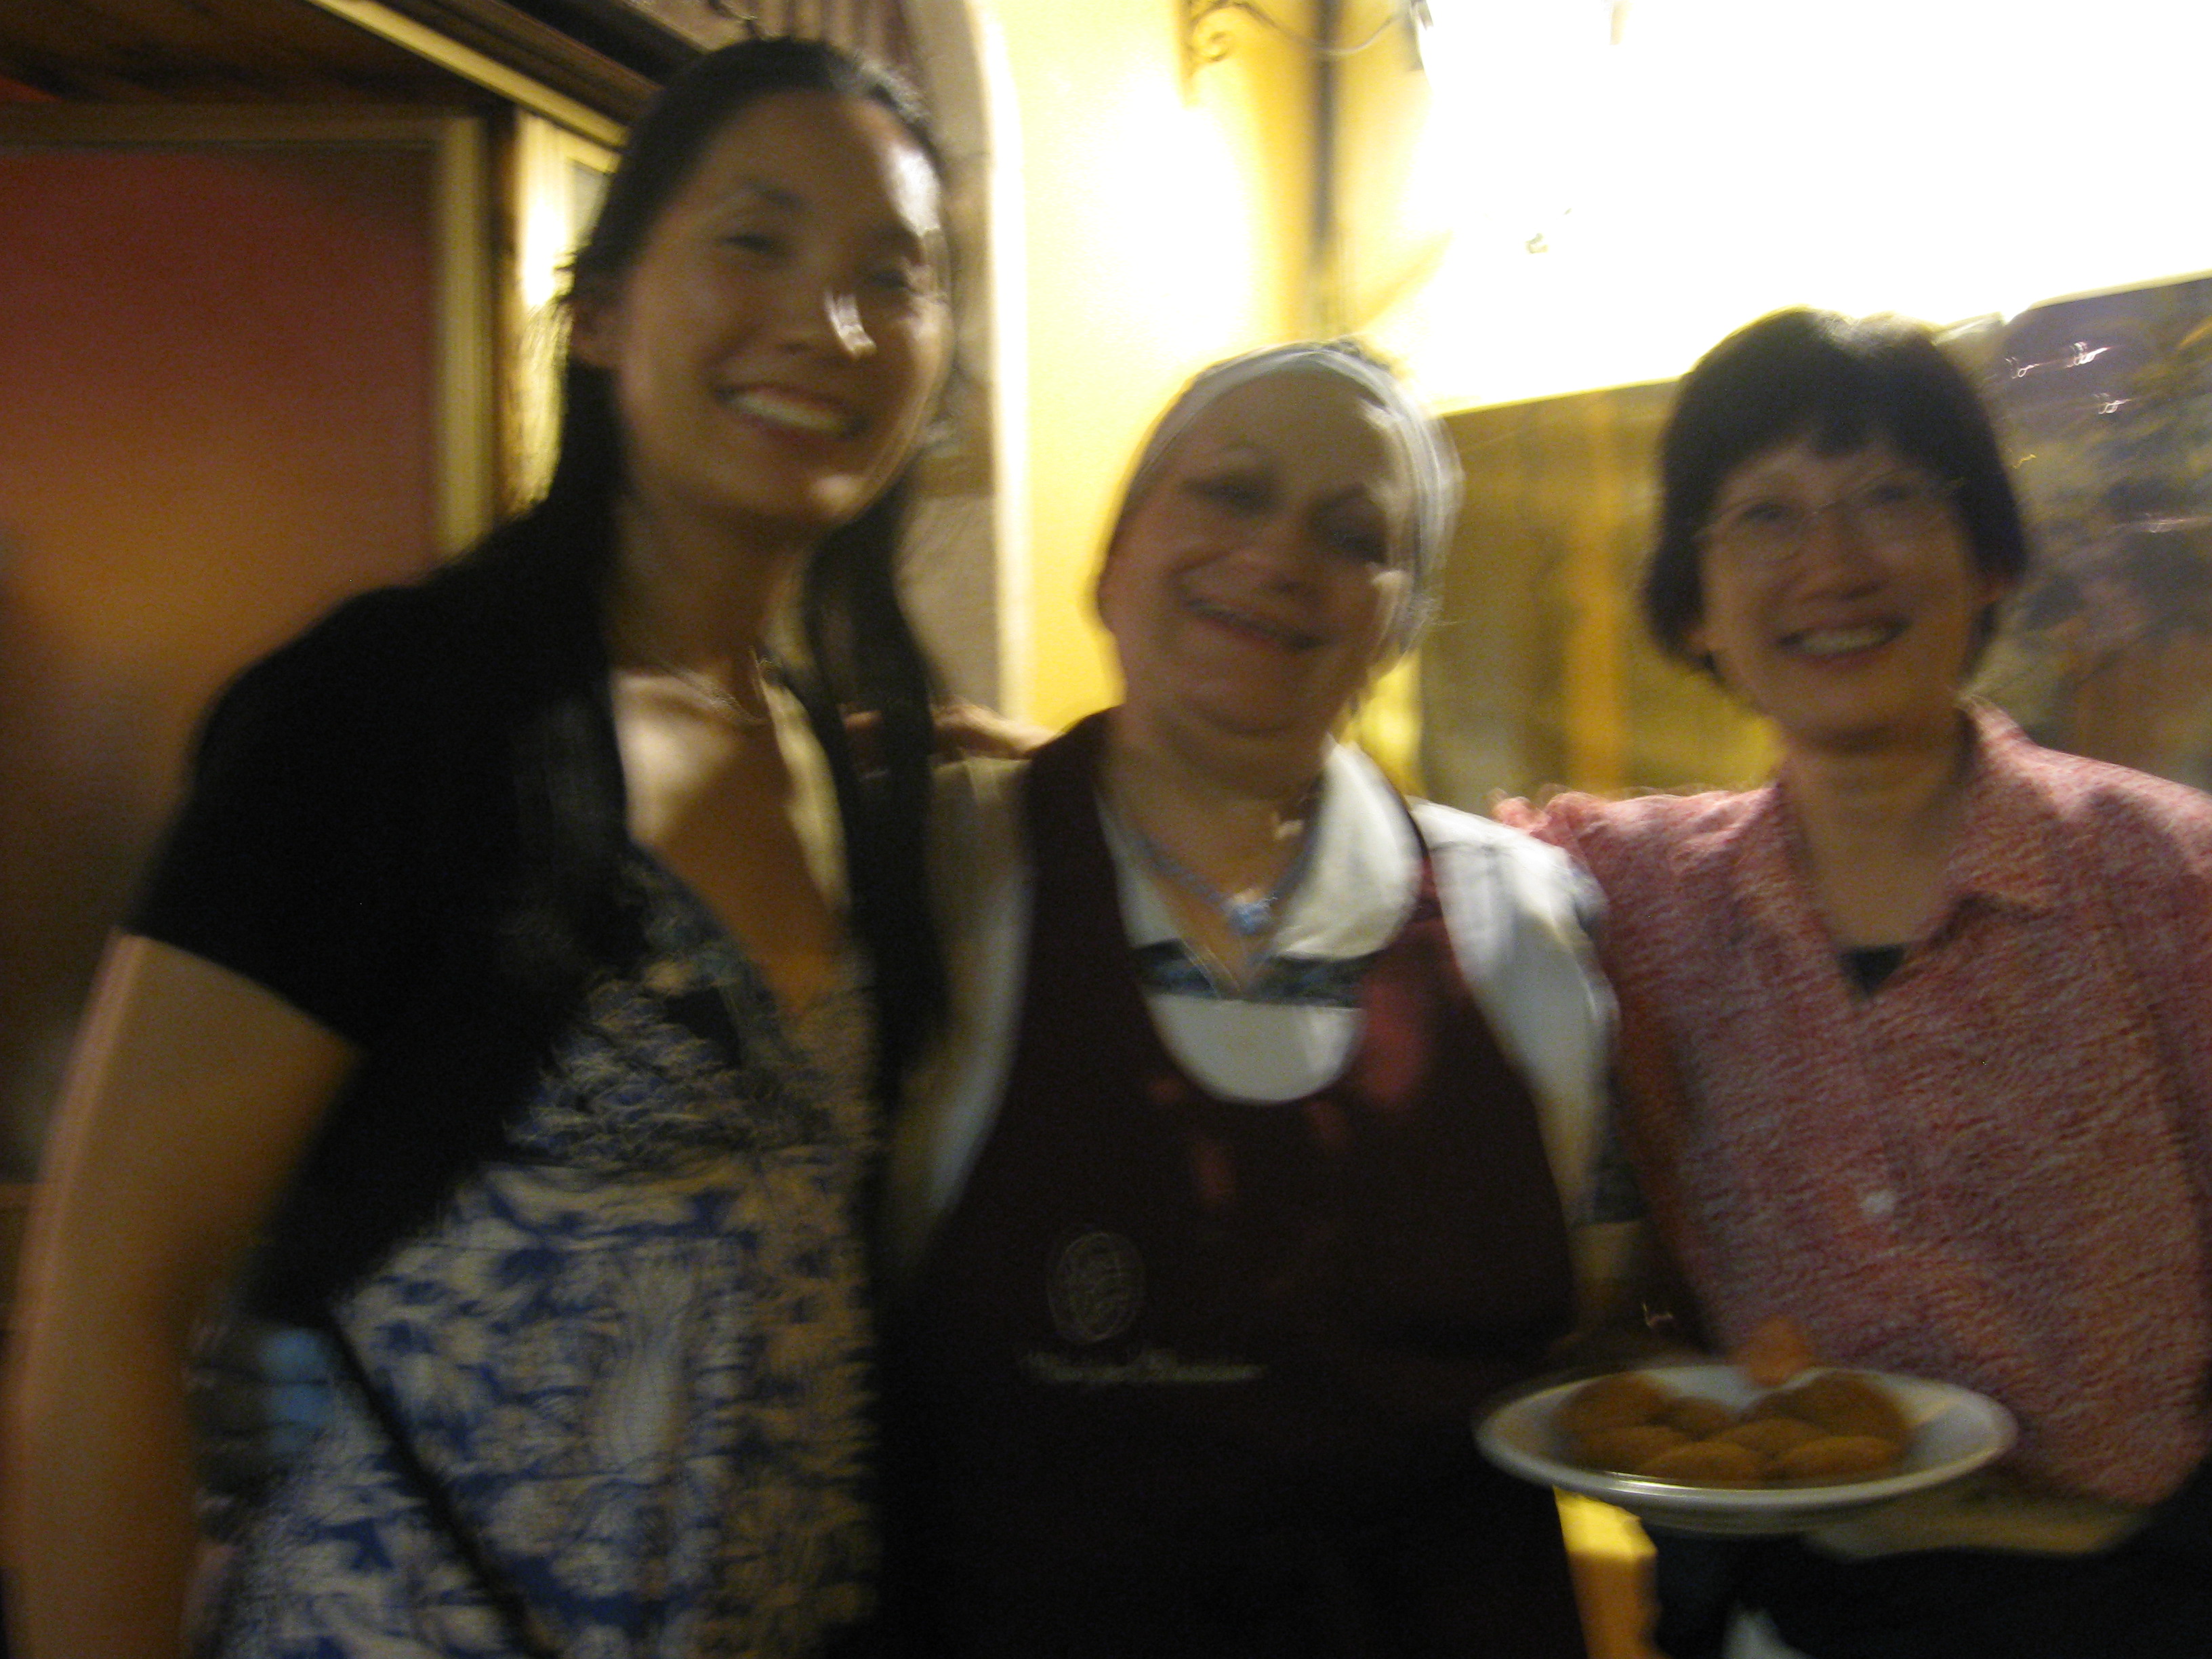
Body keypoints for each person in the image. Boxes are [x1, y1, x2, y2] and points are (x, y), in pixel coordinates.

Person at [3, 37, 955, 1658]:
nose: (833, 322)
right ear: (603, 312)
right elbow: (112, 1304)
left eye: (897, 275)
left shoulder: (850, 774)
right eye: (756, 240)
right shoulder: (387, 715)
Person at [879, 341, 1621, 1656]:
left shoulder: (1523, 923)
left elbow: (1604, 1331)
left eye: (1354, 535)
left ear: (1401, 625)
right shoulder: (933, 878)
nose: (1279, 556)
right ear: (1113, 558)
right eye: (1231, 492)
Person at [1509, 308, 2212, 1658]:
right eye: (1764, 516)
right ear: (1695, 605)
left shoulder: (2167, 879)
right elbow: (1399, 870)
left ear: (1988, 556)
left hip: (2127, 1600)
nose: (1831, 565)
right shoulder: (1643, 895)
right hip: (1781, 1610)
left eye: (1890, 498)